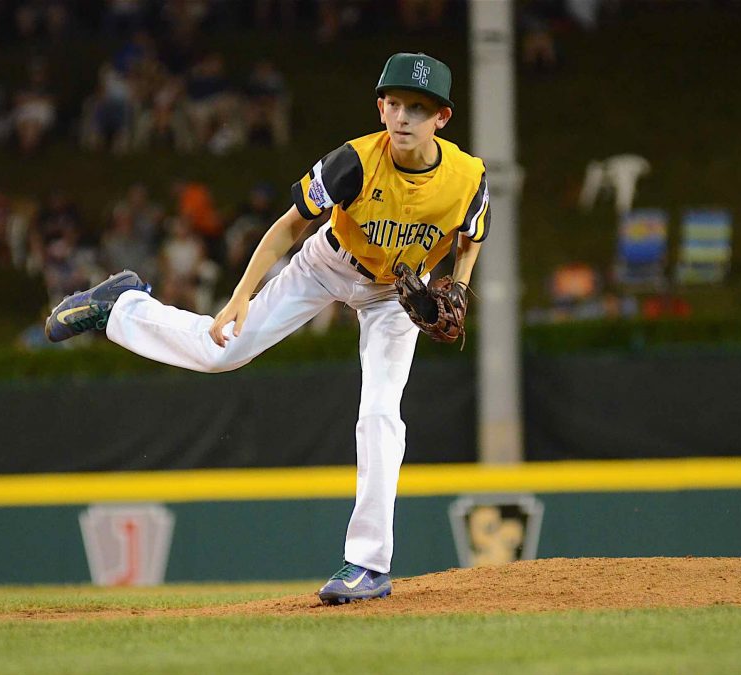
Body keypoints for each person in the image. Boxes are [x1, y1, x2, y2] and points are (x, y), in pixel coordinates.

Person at [44, 53, 489, 605]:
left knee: (380, 413)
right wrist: (240, 297)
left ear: (442, 118)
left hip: (398, 293)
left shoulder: (468, 177)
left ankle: (367, 566)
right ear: (380, 106)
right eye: (394, 103)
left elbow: (470, 235)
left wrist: (461, 286)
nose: (402, 117)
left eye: (417, 108)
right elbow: (288, 226)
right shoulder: (353, 162)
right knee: (221, 353)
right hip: (326, 265)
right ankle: (121, 307)